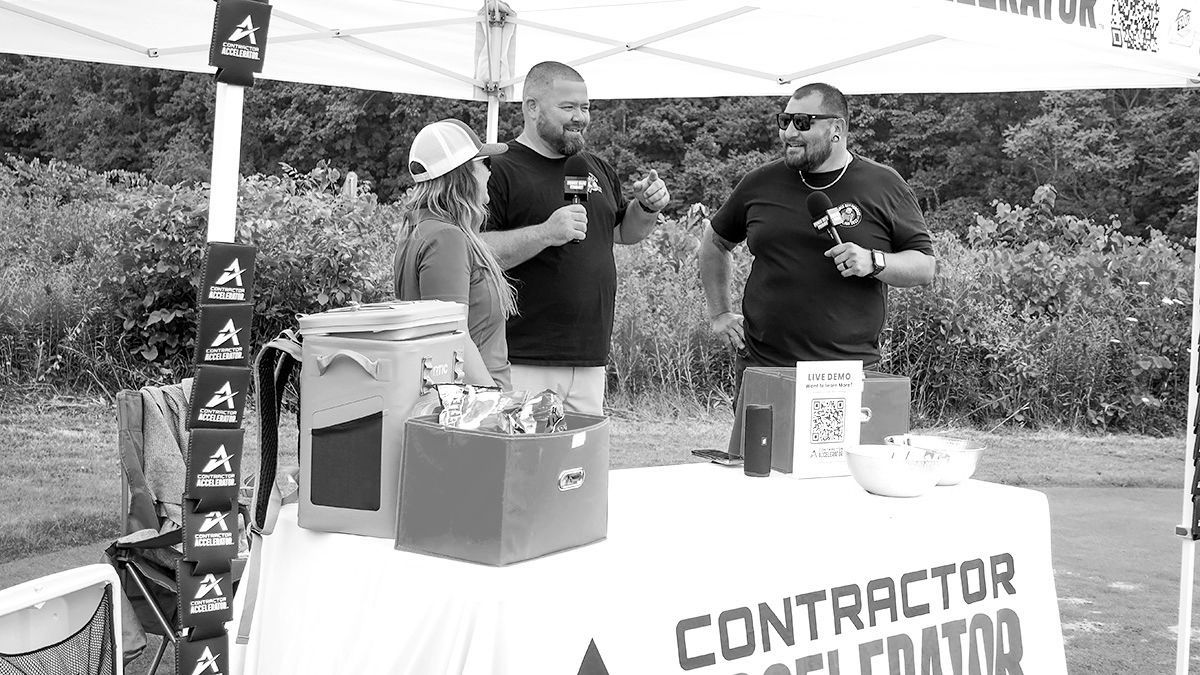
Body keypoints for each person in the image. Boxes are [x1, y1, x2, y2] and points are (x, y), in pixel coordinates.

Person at [698, 82, 936, 452]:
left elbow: (924, 267)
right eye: (785, 120)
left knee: (843, 488)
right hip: (766, 368)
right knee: (760, 480)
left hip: (848, 374)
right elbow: (714, 243)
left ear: (837, 129)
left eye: (803, 122)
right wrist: (720, 313)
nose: (789, 132)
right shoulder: (760, 182)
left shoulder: (882, 184)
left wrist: (874, 261)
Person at [482, 61, 670, 414]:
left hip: (589, 357)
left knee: (579, 466)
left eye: (585, 108)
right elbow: (476, 252)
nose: (580, 117)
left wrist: (645, 208)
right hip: (522, 358)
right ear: (531, 107)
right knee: (526, 466)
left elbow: (620, 233)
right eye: (567, 107)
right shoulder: (500, 169)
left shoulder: (593, 167)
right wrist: (545, 234)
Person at [394, 118, 516, 390]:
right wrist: (493, 399)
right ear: (464, 174)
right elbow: (453, 335)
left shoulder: (422, 229)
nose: (490, 174)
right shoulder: (445, 237)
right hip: (473, 404)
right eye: (486, 164)